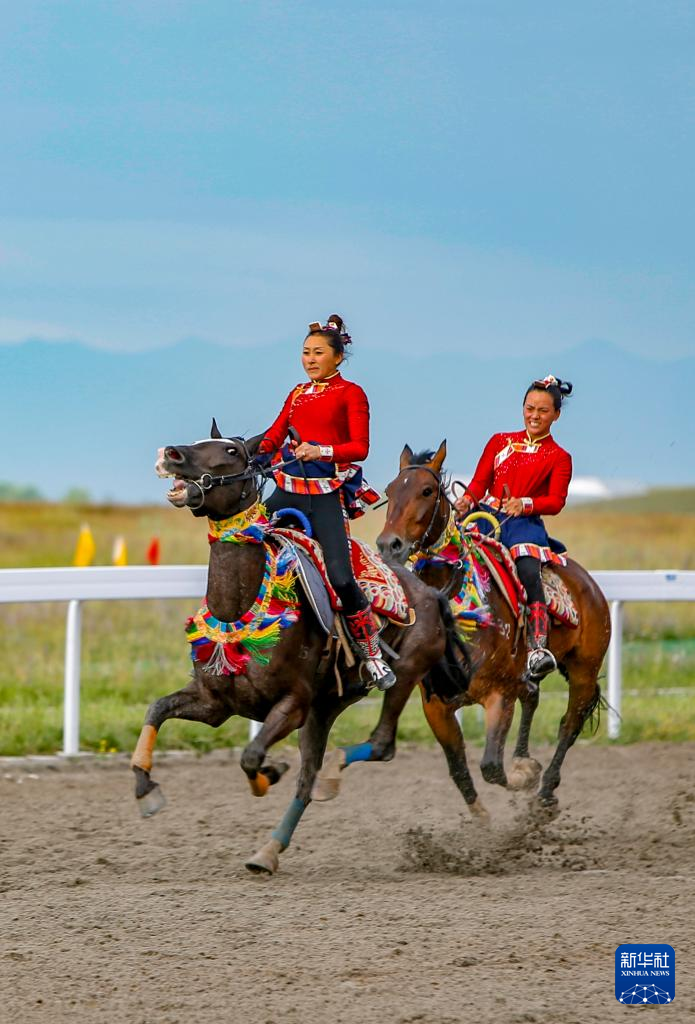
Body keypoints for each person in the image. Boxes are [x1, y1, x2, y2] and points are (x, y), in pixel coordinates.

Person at [259, 315, 396, 690]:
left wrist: (320, 449)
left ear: (338, 357)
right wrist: (254, 453)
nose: (310, 359)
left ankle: (371, 654)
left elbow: (360, 448)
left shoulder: (352, 393)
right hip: (287, 489)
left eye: (319, 352)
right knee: (248, 541)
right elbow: (274, 435)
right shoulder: (297, 394)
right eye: (305, 352)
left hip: (324, 494)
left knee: (340, 575)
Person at [454, 374, 573, 684]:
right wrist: (467, 499)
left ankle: (537, 648)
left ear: (556, 415)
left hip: (523, 526)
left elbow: (556, 501)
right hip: (485, 517)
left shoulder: (559, 458)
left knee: (528, 572)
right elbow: (480, 482)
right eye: (530, 408)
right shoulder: (500, 441)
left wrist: (525, 504)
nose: (535, 415)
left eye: (543, 411)